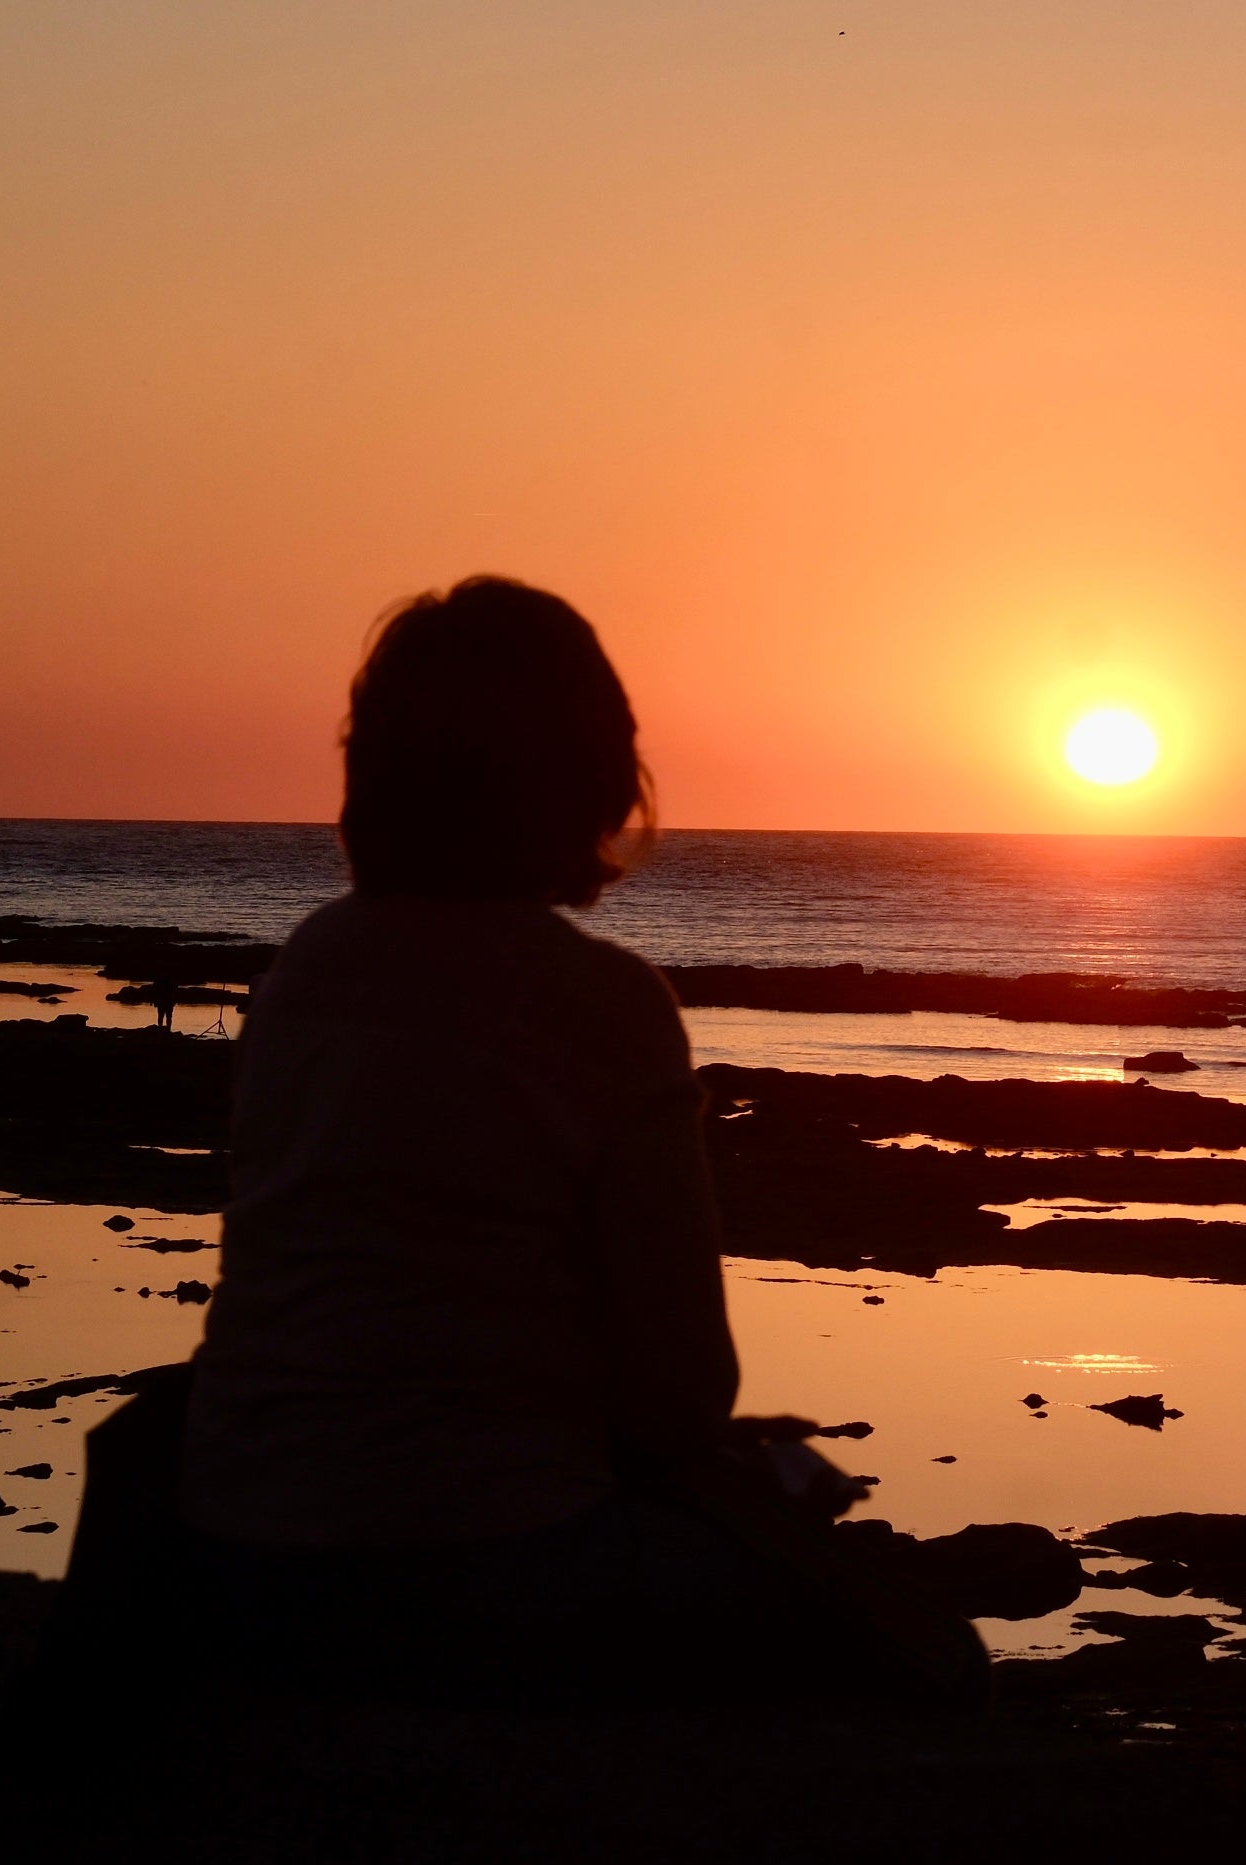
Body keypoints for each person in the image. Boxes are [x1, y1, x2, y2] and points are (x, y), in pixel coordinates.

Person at [169, 576, 974, 1708]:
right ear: (589, 775)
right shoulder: (600, 1005)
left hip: (236, 1547)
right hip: (486, 1562)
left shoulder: (301, 973)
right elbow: (681, 1390)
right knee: (903, 1651)